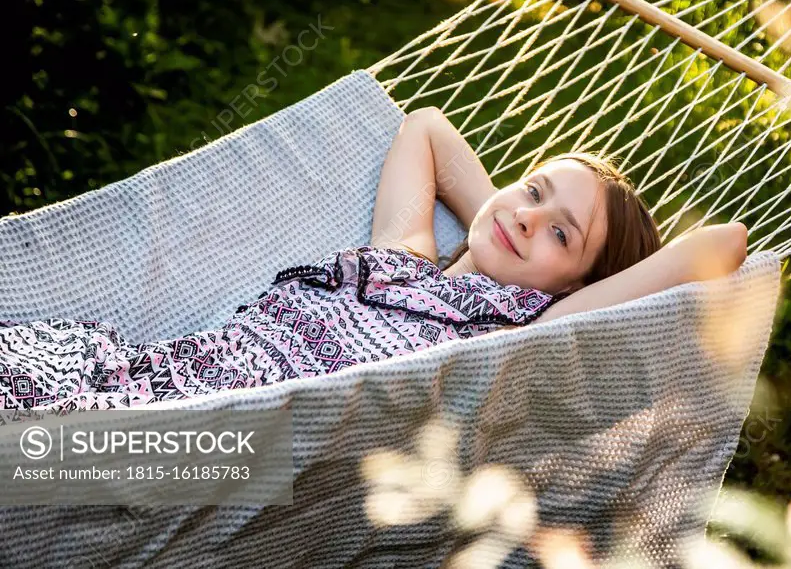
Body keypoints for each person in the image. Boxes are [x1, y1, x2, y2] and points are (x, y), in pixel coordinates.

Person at [0, 107, 747, 413]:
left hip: (197, 432)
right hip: (142, 371)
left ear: (582, 284)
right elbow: (425, 126)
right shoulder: (403, 256)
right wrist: (506, 223)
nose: (529, 215)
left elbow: (722, 246)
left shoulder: (523, 331)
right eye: (533, 188)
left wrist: (545, 279)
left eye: (563, 235)